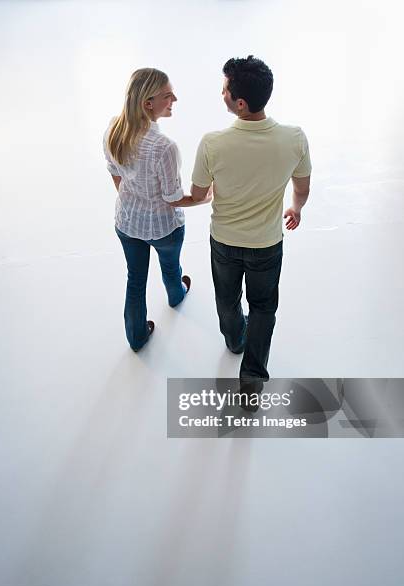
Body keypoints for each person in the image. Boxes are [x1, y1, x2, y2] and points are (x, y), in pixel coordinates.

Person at [173, 55, 311, 398]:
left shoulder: (213, 143)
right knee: (263, 307)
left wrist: (181, 200)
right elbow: (302, 186)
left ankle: (235, 341)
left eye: (224, 90)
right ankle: (252, 380)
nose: (221, 94)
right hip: (267, 243)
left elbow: (200, 194)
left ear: (240, 103)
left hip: (224, 241)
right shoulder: (294, 138)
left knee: (227, 298)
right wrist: (295, 207)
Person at [103, 68, 212, 352]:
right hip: (165, 228)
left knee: (135, 280)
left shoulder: (113, 130)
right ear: (148, 103)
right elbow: (174, 198)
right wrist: (205, 197)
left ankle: (136, 337)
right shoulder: (164, 147)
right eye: (168, 95)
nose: (174, 98)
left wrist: (134, 201)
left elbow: (115, 173)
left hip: (126, 224)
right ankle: (177, 296)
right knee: (171, 266)